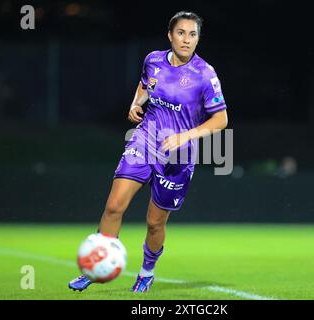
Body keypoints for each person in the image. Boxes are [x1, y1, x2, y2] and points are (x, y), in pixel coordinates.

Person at [69, 11, 228, 293]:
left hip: (178, 157)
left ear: (198, 39)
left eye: (193, 34)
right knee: (114, 205)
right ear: (170, 35)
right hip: (145, 141)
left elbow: (221, 120)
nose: (187, 40)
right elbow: (146, 84)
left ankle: (146, 272)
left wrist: (185, 136)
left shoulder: (205, 74)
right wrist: (136, 102)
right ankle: (95, 267)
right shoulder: (153, 60)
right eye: (181, 33)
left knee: (154, 223)